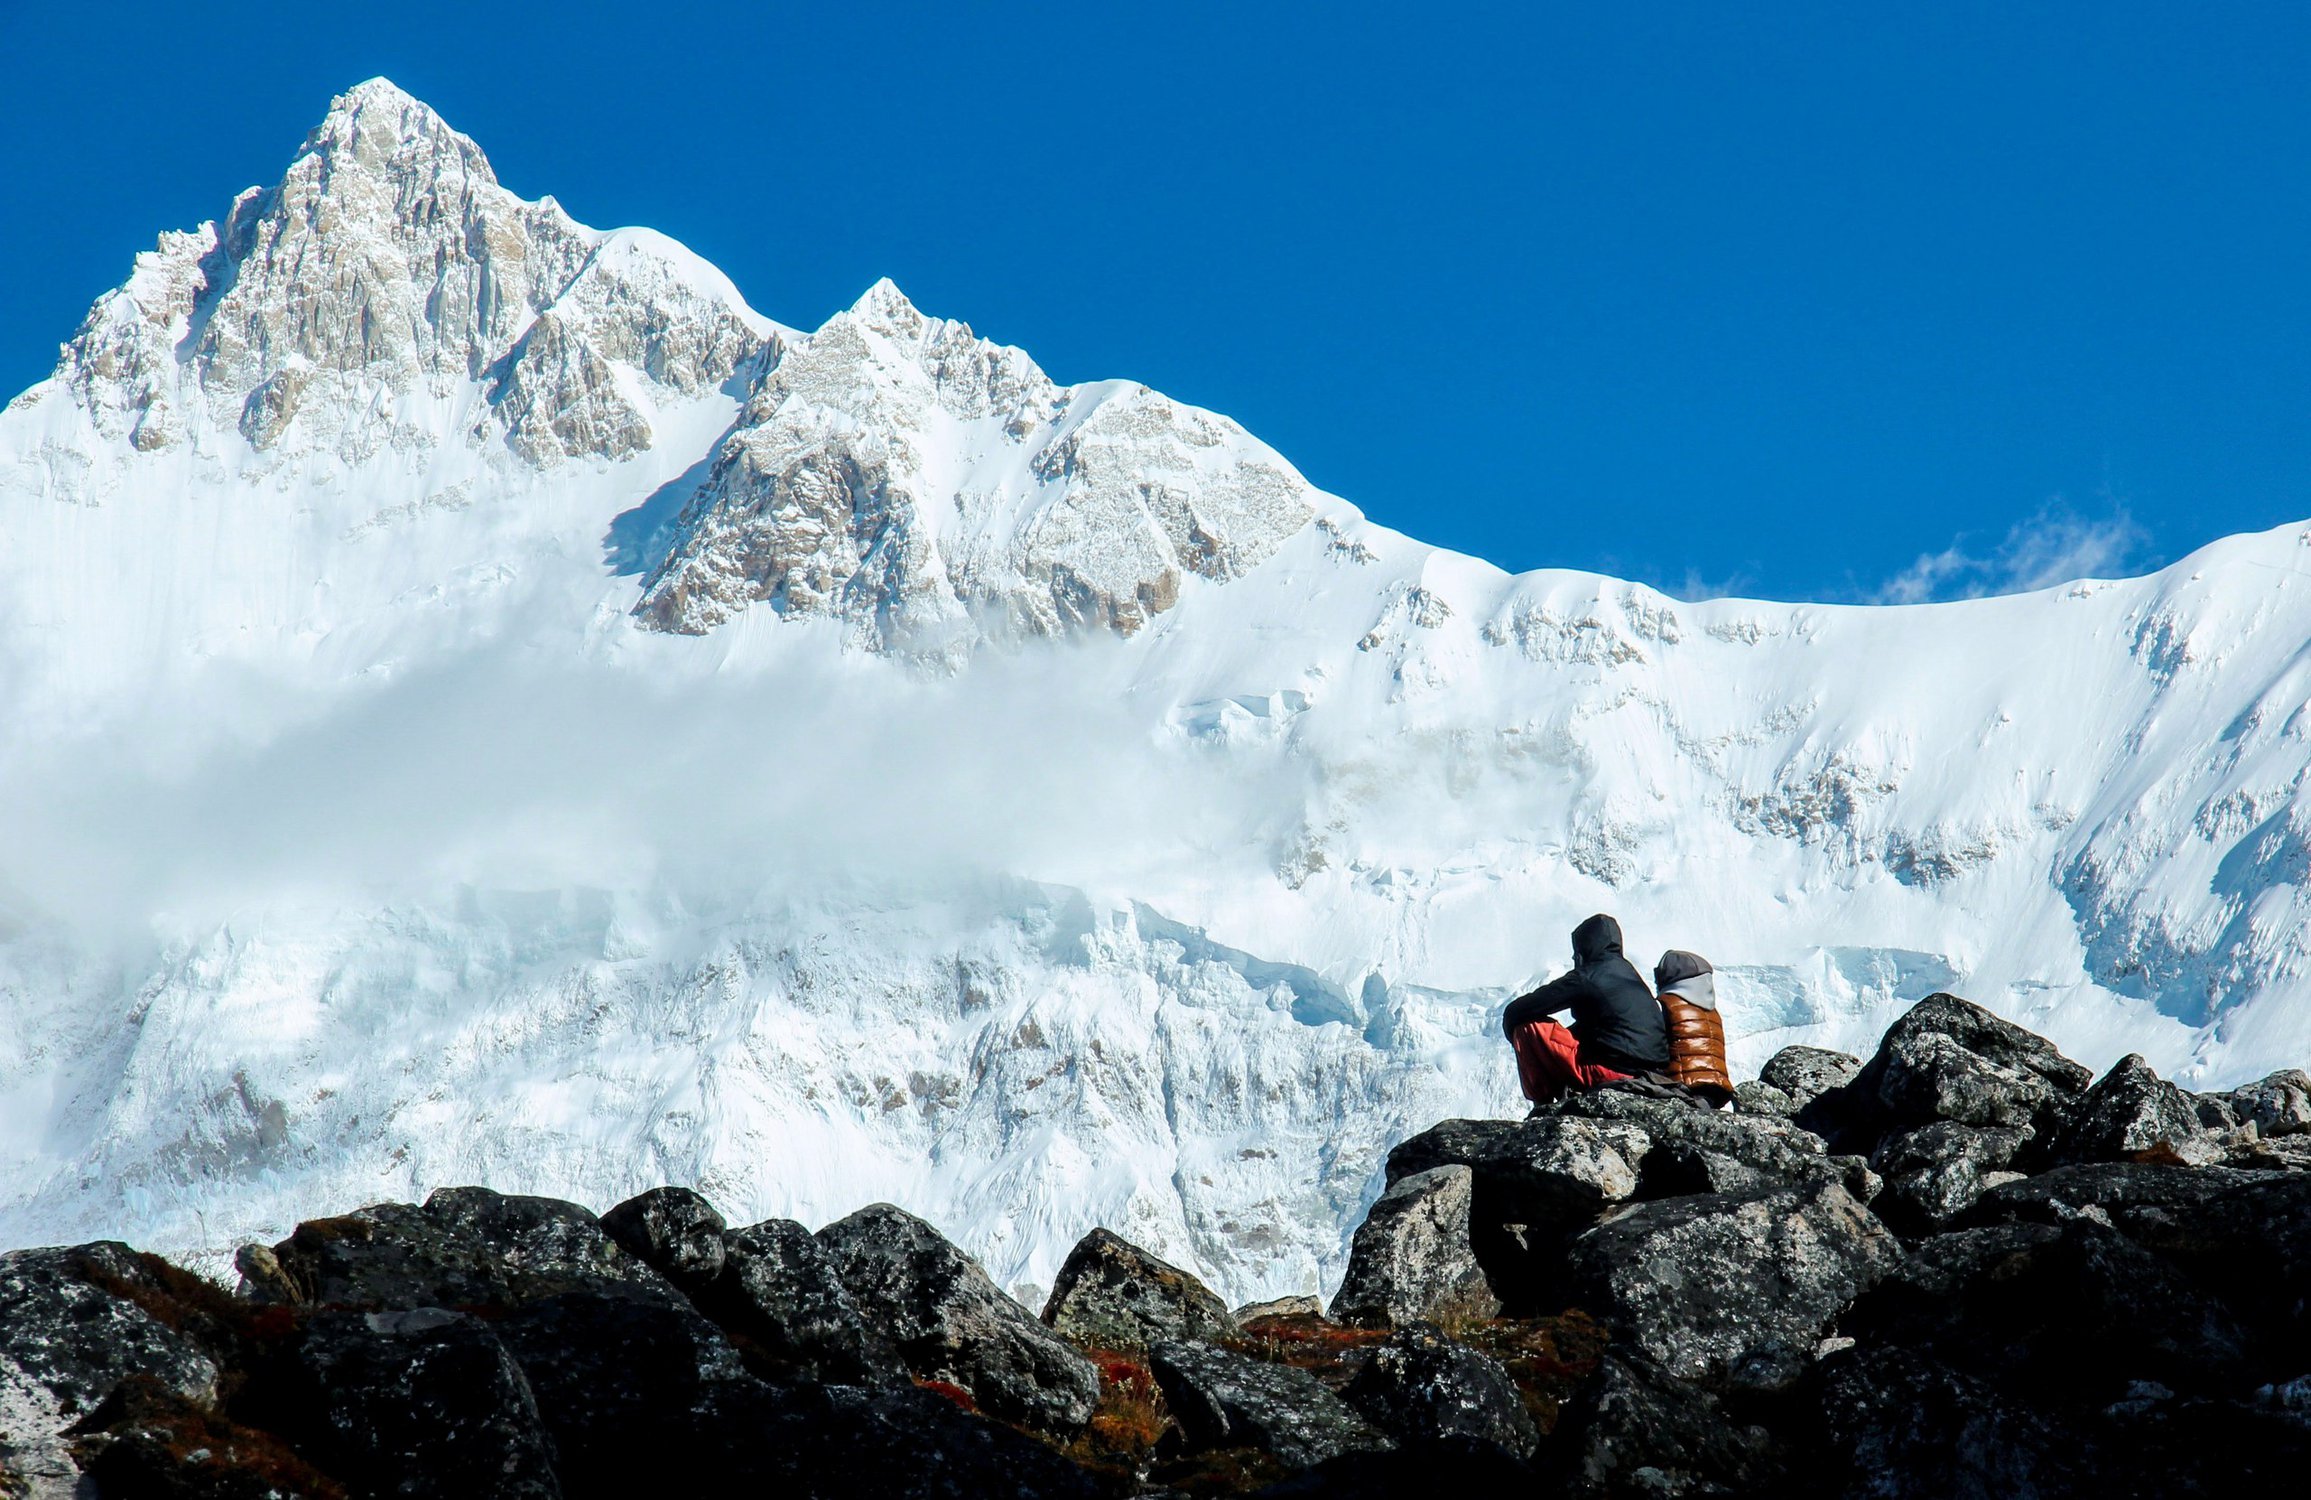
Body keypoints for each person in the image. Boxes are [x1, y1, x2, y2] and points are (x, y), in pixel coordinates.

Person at [1501, 912, 1671, 1109]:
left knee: (1527, 1027)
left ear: (1585, 947)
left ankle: (1542, 1105)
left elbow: (1517, 1010)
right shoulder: (1630, 976)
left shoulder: (1588, 976)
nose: (1574, 956)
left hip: (1608, 1071)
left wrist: (1517, 1038)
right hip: (1651, 1075)